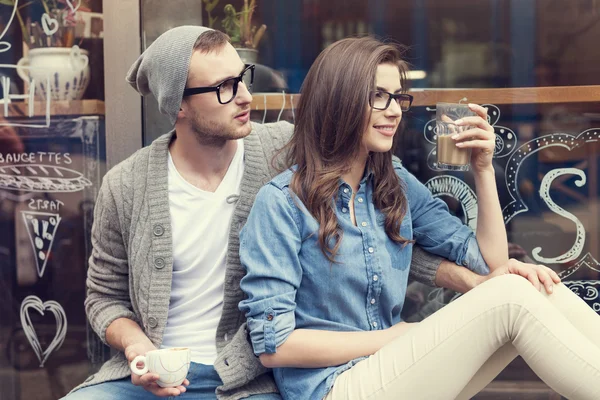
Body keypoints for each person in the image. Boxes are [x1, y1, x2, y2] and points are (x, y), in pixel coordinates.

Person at [63, 27, 449, 400]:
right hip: (146, 379)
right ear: (178, 104)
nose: (246, 96)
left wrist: (470, 276)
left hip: (247, 381)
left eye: (242, 78)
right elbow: (103, 297)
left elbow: (372, 227)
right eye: (225, 88)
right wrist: (139, 350)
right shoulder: (126, 185)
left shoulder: (286, 151)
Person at [238, 36, 600, 400]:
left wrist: (484, 169)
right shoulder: (283, 203)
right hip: (334, 386)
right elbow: (275, 347)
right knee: (510, 295)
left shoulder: (393, 183)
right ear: (338, 101)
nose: (395, 110)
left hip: (392, 366)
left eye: (397, 96)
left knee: (533, 287)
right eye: (378, 95)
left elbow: (491, 263)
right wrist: (394, 337)